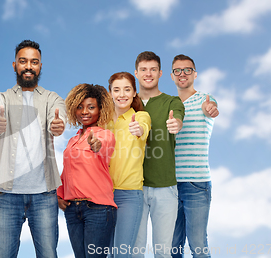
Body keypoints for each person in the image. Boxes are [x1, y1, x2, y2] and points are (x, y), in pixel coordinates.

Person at [0, 39, 67, 258]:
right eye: (23, 61)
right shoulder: (1, 98)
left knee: (48, 254)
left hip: (44, 194)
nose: (28, 66)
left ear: (40, 66)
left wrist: (57, 125)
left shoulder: (52, 98)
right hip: (7, 195)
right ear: (15, 65)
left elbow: (58, 118)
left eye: (34, 62)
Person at [133, 51, 185, 258]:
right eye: (144, 69)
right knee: (134, 251)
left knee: (163, 252)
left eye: (153, 69)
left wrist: (177, 124)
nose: (148, 74)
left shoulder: (172, 102)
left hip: (165, 188)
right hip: (132, 188)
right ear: (136, 73)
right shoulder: (126, 101)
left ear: (160, 73)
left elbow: (178, 118)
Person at [57, 83, 117, 258]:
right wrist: (59, 195)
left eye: (91, 107)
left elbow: (103, 146)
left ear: (100, 110)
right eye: (80, 107)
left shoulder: (105, 135)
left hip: (98, 209)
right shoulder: (72, 140)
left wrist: (95, 144)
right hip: (72, 210)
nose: (85, 111)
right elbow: (66, 172)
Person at [170, 54, 218, 258]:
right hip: (169, 185)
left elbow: (210, 109)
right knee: (172, 246)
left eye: (187, 70)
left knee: (198, 245)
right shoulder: (168, 104)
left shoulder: (205, 99)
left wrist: (211, 109)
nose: (183, 74)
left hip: (196, 183)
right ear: (172, 76)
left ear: (195, 74)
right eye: (178, 70)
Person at [106, 72, 151, 258]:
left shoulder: (141, 117)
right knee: (105, 254)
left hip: (129, 195)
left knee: (122, 254)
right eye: (116, 90)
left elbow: (143, 129)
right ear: (110, 93)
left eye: (127, 89)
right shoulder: (104, 121)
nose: (121, 94)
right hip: (102, 194)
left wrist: (138, 129)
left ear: (134, 93)